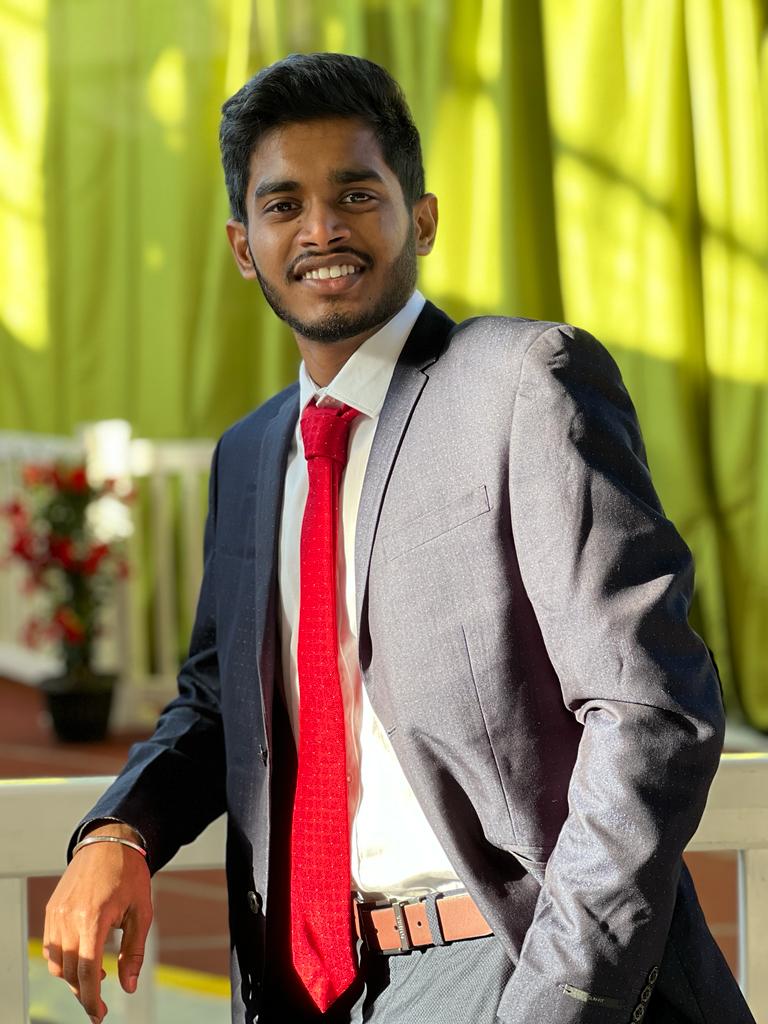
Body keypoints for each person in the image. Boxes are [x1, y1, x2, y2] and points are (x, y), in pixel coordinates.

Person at [43, 52, 754, 1024]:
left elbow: (650, 706)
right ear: (244, 246)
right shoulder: (249, 455)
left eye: (356, 194)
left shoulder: (522, 382)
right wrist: (118, 832)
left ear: (420, 218)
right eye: (284, 204)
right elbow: (217, 706)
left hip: (507, 963)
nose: (321, 229)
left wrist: (560, 995)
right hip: (308, 986)